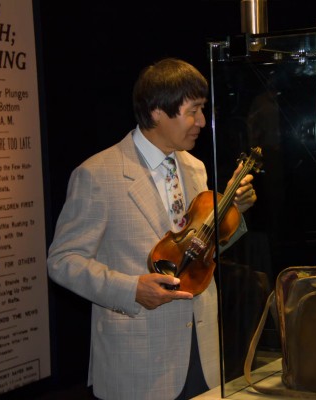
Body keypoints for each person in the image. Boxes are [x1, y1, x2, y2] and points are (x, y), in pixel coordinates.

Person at [47, 58, 257, 400]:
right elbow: (62, 261)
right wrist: (131, 289)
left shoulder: (194, 167)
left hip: (201, 353)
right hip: (138, 358)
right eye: (193, 111)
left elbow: (199, 253)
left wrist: (232, 214)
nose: (202, 121)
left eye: (202, 110)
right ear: (158, 111)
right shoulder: (98, 174)